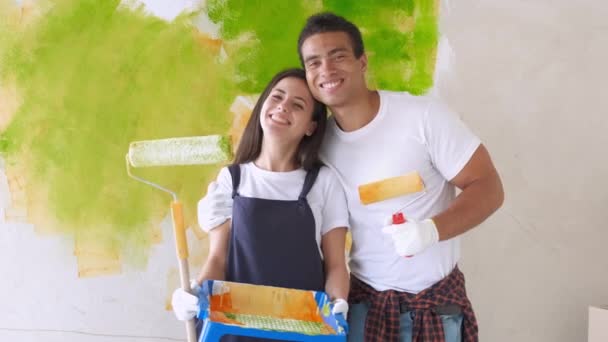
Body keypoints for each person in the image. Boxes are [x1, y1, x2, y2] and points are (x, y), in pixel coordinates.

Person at [295, 12, 505, 342]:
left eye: (338, 56)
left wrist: (431, 231)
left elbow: (489, 188)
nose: (326, 70)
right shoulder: (319, 147)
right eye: (314, 62)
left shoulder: (423, 117)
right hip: (366, 307)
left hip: (436, 304)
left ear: (362, 61)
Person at [171, 68, 350, 341]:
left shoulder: (323, 182)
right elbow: (218, 259)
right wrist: (195, 293)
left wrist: (338, 305)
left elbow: (336, 265)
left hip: (303, 331)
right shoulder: (232, 179)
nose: (282, 107)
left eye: (297, 105)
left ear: (311, 126)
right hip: (234, 330)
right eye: (277, 97)